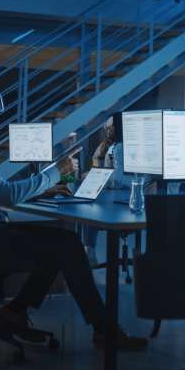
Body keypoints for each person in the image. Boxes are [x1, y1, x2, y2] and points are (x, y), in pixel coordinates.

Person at [0, 79, 148, 350]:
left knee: (58, 243)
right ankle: (103, 330)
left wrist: (43, 191)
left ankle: (14, 312)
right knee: (67, 245)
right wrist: (56, 169)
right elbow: (5, 194)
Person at [81, 112, 124, 266]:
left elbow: (116, 182)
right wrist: (100, 157)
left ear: (118, 128)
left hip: (121, 199)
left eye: (109, 126)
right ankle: (89, 251)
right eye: (106, 126)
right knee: (89, 202)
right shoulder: (107, 146)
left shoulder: (120, 149)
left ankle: (89, 252)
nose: (106, 129)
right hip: (111, 195)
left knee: (90, 206)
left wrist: (94, 177)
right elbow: (100, 172)